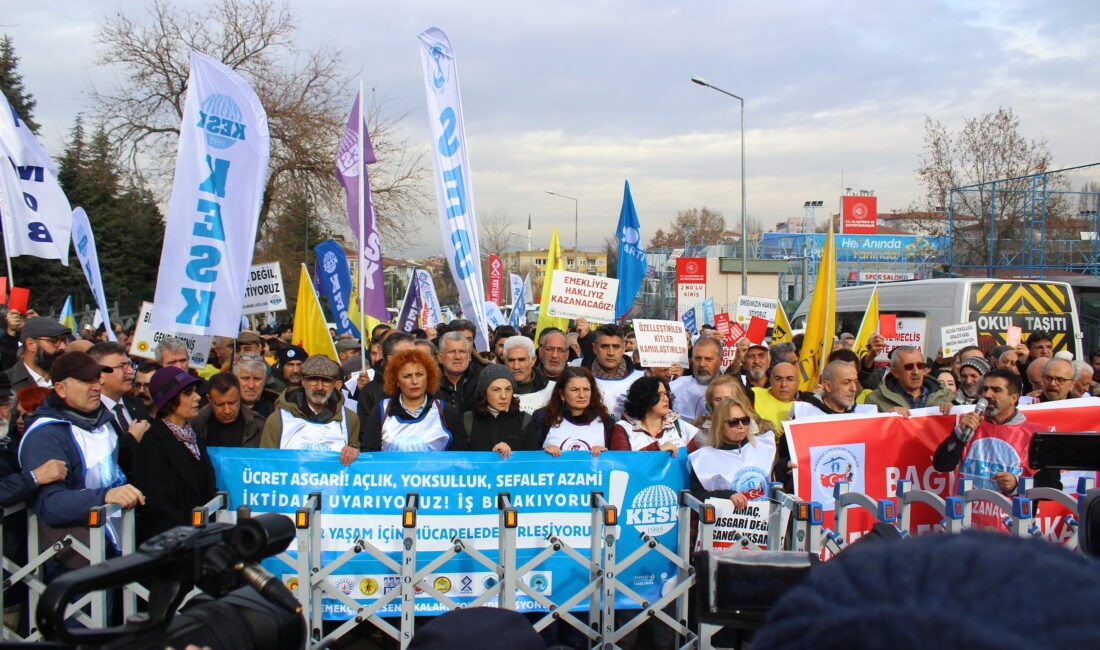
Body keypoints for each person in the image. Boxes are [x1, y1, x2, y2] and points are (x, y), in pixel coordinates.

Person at [18, 352, 145, 567]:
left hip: (115, 544)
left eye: (96, 379)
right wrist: (105, 496)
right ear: (60, 389)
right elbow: (51, 505)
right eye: (86, 381)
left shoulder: (102, 419)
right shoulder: (46, 434)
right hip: (75, 557)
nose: (96, 386)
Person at [933, 369, 1060, 527]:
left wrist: (1017, 484)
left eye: (996, 390)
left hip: (1012, 532)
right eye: (985, 389)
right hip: (966, 527)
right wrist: (958, 434)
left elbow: (1053, 487)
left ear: (1013, 398)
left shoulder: (1038, 435)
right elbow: (942, 465)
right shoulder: (970, 424)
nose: (987, 395)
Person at [131, 366, 216, 543]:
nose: (197, 397)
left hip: (199, 542)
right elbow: (159, 507)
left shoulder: (193, 435)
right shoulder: (153, 443)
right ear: (169, 400)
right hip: (173, 548)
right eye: (188, 393)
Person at [261, 356, 360, 465]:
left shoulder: (349, 419)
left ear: (335, 384)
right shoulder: (278, 419)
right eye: (313, 380)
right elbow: (266, 464)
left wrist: (354, 452)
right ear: (303, 381)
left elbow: (355, 466)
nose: (319, 387)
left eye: (326, 381)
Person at [362, 347, 464, 452]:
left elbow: (461, 457)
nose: (414, 381)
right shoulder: (381, 410)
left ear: (428, 377)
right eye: (407, 376)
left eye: (419, 374)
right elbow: (369, 454)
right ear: (396, 381)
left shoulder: (446, 411)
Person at [689, 397, 776, 511]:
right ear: (720, 425)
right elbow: (697, 495)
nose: (741, 426)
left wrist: (785, 466)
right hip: (724, 523)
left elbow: (774, 484)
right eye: (733, 422)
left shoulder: (764, 446)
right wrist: (726, 495)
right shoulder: (703, 458)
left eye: (745, 420)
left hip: (763, 521)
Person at [88, 342, 152, 475]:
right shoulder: (90, 414)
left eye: (129, 365)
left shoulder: (136, 404)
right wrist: (132, 438)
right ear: (100, 374)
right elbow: (103, 465)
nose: (130, 372)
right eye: (122, 367)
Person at [532, 366, 614, 456]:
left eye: (586, 389)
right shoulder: (543, 417)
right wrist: (544, 452)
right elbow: (530, 456)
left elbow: (616, 460)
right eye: (574, 390)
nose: (582, 395)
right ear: (562, 394)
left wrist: (605, 454)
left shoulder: (605, 420)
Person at [462, 365, 536, 458]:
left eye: (508, 389)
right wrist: (492, 455)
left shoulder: (525, 420)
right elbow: (458, 462)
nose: (503, 396)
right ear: (484, 392)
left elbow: (532, 462)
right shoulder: (467, 420)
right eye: (496, 390)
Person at [609, 376, 697, 453]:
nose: (666, 399)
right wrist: (657, 450)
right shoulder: (623, 428)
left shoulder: (682, 427)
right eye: (659, 395)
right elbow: (622, 464)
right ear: (643, 397)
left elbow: (694, 463)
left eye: (666, 394)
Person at [866, 346, 954, 415]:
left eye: (920, 365)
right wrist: (889, 418)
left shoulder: (945, 396)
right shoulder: (875, 399)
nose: (916, 372)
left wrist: (955, 414)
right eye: (909, 367)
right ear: (895, 372)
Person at [585, 324, 645, 419]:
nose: (611, 353)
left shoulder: (641, 379)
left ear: (624, 347)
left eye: (616, 346)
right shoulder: (580, 379)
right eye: (604, 346)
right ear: (594, 348)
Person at [192, 372, 263, 447]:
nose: (227, 411)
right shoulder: (193, 425)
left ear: (239, 395)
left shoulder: (258, 426)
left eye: (232, 403)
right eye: (220, 404)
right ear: (209, 399)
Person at [7, 317, 71, 391]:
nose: (62, 347)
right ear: (31, 344)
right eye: (54, 341)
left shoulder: (70, 379)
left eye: (64, 340)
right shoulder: (7, 383)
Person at [670, 336, 724, 421]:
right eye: (698, 359)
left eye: (708, 359)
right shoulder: (675, 387)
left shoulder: (732, 389)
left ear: (720, 360)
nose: (702, 364)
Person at [690, 375, 748, 444]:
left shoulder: (754, 426)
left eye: (727, 399)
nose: (722, 404)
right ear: (711, 403)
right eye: (718, 399)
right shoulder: (699, 430)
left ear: (738, 400)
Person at [436, 331, 481, 413]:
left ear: (469, 356)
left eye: (462, 351)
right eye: (451, 351)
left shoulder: (482, 379)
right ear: (440, 357)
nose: (457, 357)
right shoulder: (429, 382)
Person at [752, 362, 800, 431]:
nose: (783, 384)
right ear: (770, 381)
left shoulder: (805, 406)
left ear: (798, 383)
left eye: (790, 379)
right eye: (778, 379)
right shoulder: (754, 394)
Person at [234, 354, 279, 419]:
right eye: (245, 378)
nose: (251, 386)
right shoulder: (224, 408)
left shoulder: (277, 408)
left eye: (257, 379)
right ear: (234, 379)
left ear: (265, 380)